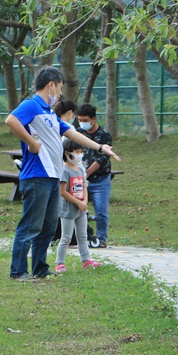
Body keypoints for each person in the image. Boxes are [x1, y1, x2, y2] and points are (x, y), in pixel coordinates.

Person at [5, 67, 121, 281]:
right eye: (58, 89)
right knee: (31, 226)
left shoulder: (50, 113)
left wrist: (100, 148)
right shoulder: (32, 105)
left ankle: (40, 268)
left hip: (52, 178)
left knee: (48, 227)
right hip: (36, 177)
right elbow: (11, 120)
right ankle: (18, 271)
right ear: (51, 85)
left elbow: (73, 133)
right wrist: (32, 143)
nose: (59, 94)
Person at [55, 139, 102, 273]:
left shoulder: (80, 168)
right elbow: (63, 191)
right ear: (67, 154)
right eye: (76, 152)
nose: (79, 155)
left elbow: (84, 186)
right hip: (68, 210)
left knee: (83, 236)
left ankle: (86, 260)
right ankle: (60, 263)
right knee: (66, 237)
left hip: (81, 209)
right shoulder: (64, 171)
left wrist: (85, 202)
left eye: (81, 152)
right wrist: (78, 202)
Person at [76, 103, 113, 248]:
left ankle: (101, 238)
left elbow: (102, 158)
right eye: (80, 119)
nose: (82, 123)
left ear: (93, 119)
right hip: (79, 179)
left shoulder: (104, 135)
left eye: (85, 120)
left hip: (99, 179)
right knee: (77, 209)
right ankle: (79, 236)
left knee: (101, 211)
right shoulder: (78, 133)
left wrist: (87, 172)